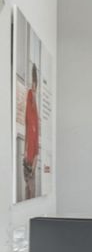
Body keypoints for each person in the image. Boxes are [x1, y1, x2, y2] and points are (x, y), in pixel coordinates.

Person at [23, 64, 40, 200]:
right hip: (30, 135)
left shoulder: (32, 95)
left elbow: (36, 148)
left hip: (32, 141)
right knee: (27, 184)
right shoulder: (30, 95)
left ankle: (30, 175)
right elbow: (27, 124)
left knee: (31, 183)